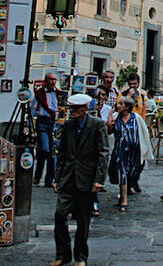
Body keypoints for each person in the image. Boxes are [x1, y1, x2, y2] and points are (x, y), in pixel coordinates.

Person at [50, 93, 108, 266]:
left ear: (84, 109)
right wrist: (57, 178)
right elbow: (62, 154)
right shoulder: (68, 125)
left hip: (86, 178)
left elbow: (103, 153)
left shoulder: (97, 125)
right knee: (60, 215)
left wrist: (99, 179)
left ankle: (80, 256)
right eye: (70, 108)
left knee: (83, 220)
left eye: (75, 109)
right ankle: (63, 254)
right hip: (68, 178)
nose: (71, 111)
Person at [108, 96, 149, 212]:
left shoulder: (136, 118)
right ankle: (124, 201)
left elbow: (143, 132)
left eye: (120, 104)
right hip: (120, 150)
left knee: (132, 172)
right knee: (122, 172)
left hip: (134, 151)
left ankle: (122, 195)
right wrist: (110, 119)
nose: (118, 106)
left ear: (127, 107)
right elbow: (109, 131)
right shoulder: (116, 118)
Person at [32, 73, 60, 186]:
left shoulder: (58, 93)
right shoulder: (40, 93)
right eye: (51, 79)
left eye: (54, 79)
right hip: (42, 122)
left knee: (52, 152)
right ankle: (38, 176)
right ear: (46, 80)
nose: (53, 82)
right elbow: (33, 108)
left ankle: (48, 179)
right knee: (45, 149)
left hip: (54, 123)